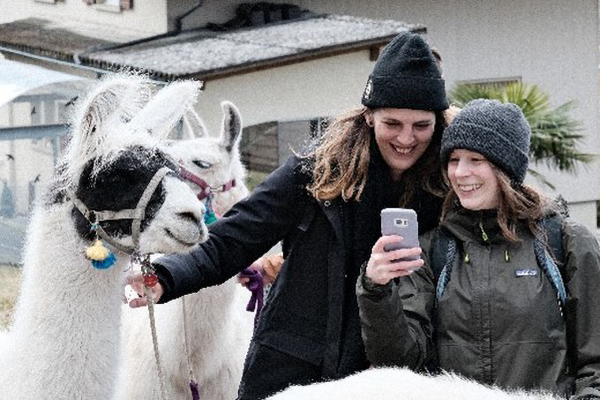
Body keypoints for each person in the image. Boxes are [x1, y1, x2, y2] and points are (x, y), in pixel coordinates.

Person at [129, 31, 450, 400]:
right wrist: (168, 277)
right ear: (368, 117)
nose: (406, 138)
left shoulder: (448, 183)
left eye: (421, 126)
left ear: (438, 123)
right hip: (292, 369)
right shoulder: (317, 171)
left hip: (385, 378)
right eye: (392, 123)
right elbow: (235, 237)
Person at [357, 99, 600, 399]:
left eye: (475, 159)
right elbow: (401, 364)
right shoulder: (433, 249)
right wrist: (376, 290)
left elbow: (596, 364)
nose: (460, 173)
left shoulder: (565, 242)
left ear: (505, 167)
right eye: (454, 159)